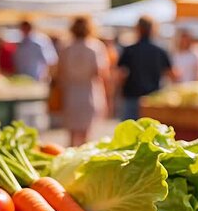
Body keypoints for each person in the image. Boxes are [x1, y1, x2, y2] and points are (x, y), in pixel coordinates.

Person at [57, 16, 108, 146]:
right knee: (86, 135)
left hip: (71, 93)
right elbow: (100, 72)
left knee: (72, 135)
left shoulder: (66, 47)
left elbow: (59, 72)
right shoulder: (95, 46)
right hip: (89, 93)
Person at [117, 16, 176, 120]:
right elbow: (171, 74)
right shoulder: (160, 51)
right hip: (152, 99)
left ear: (138, 29)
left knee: (129, 132)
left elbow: (121, 74)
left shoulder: (129, 50)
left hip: (132, 96)